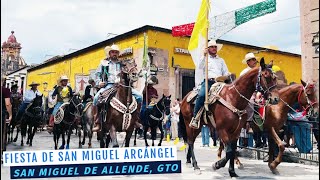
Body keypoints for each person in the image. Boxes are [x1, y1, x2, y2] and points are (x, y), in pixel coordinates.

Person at [92, 44, 142, 132]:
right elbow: (96, 75)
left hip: (122, 85)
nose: (115, 54)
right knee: (96, 98)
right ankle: (97, 122)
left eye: (116, 52)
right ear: (110, 53)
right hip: (109, 85)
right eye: (113, 52)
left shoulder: (122, 64)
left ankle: (136, 120)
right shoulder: (104, 64)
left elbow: (130, 72)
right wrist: (99, 83)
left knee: (139, 96)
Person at [190, 40, 230, 128]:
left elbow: (226, 72)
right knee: (201, 95)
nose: (214, 48)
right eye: (212, 47)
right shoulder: (205, 58)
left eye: (215, 47)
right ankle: (195, 118)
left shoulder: (221, 60)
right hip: (209, 82)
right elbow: (200, 67)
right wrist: (204, 55)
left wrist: (226, 76)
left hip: (220, 82)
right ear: (208, 49)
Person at [1, 77, 12, 159]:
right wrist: (10, 115)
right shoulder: (5, 90)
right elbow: (7, 104)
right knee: (2, 133)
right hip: (2, 113)